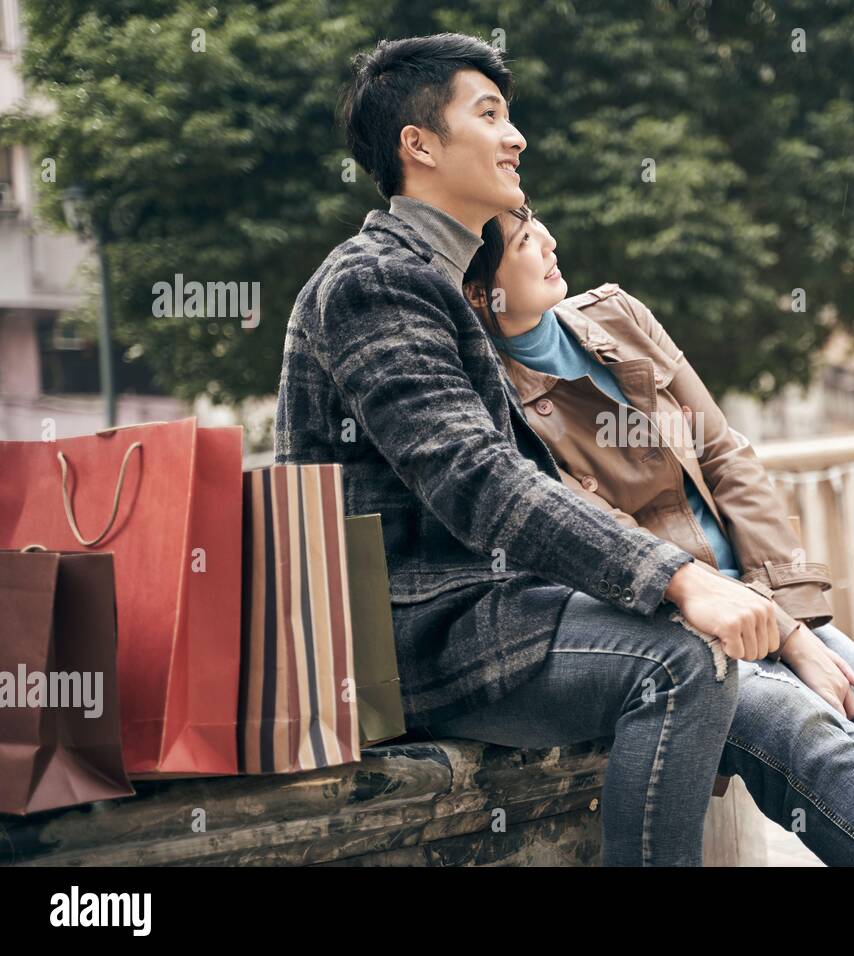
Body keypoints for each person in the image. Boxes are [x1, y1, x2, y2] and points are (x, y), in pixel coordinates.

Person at [454, 201, 854, 867]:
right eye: (528, 240)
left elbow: (726, 456)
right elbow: (605, 542)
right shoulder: (494, 404)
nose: (551, 242)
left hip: (767, 600)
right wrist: (768, 629)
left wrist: (788, 613)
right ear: (481, 291)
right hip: (687, 634)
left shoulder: (616, 316)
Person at [274, 33, 781, 866]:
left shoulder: (442, 276)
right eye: (490, 115)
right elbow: (476, 478)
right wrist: (680, 578)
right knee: (684, 663)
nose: (516, 138)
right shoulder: (375, 281)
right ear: (420, 145)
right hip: (415, 634)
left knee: (752, 685)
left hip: (484, 610)